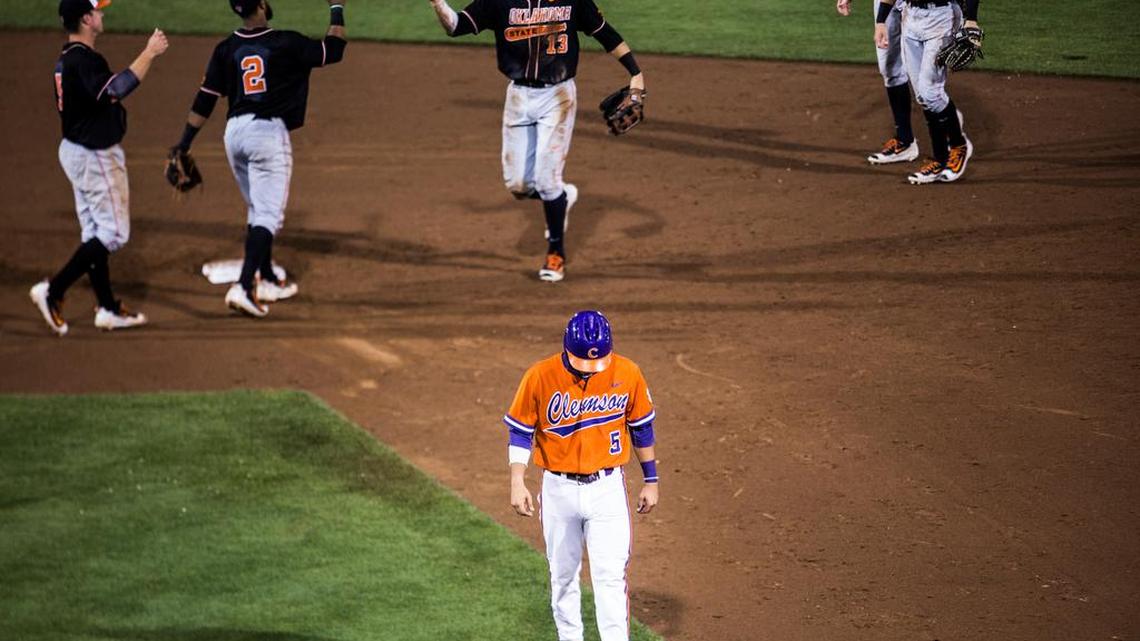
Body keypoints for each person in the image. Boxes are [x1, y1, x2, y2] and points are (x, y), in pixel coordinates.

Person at [427, 0, 646, 282]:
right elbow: (456, 27)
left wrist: (635, 73)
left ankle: (556, 254)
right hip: (518, 97)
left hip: (557, 97)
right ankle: (561, 197)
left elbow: (604, 32)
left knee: (545, 181)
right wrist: (437, 2)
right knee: (517, 185)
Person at [171, 0, 347, 317]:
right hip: (266, 135)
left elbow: (205, 99)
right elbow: (333, 50)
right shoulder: (285, 42)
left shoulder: (225, 48)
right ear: (263, 5)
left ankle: (264, 275)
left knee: (257, 207)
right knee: (268, 215)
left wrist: (184, 144)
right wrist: (337, 7)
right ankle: (243, 287)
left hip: (234, 134)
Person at [503, 310, 660, 641]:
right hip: (559, 490)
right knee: (562, 577)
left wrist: (651, 479)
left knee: (610, 578)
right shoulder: (539, 375)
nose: (590, 368)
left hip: (607, 490)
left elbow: (641, 428)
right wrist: (518, 481)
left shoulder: (628, 372)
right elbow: (520, 431)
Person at [31, 0, 168, 336]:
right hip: (95, 157)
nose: (103, 14)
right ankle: (54, 290)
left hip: (76, 151)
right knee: (114, 234)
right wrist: (149, 52)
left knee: (94, 233)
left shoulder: (67, 59)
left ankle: (107, 308)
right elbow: (116, 90)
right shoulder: (83, 59)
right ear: (86, 19)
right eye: (98, 10)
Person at [875, 0, 979, 184]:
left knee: (930, 92)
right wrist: (881, 20)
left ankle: (958, 144)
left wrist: (971, 19)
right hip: (911, 17)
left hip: (942, 17)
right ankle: (939, 159)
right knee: (923, 97)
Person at [836, 0, 919, 165]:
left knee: (927, 81)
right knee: (890, 70)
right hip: (885, 3)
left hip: (921, 7)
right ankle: (905, 141)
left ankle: (953, 137)